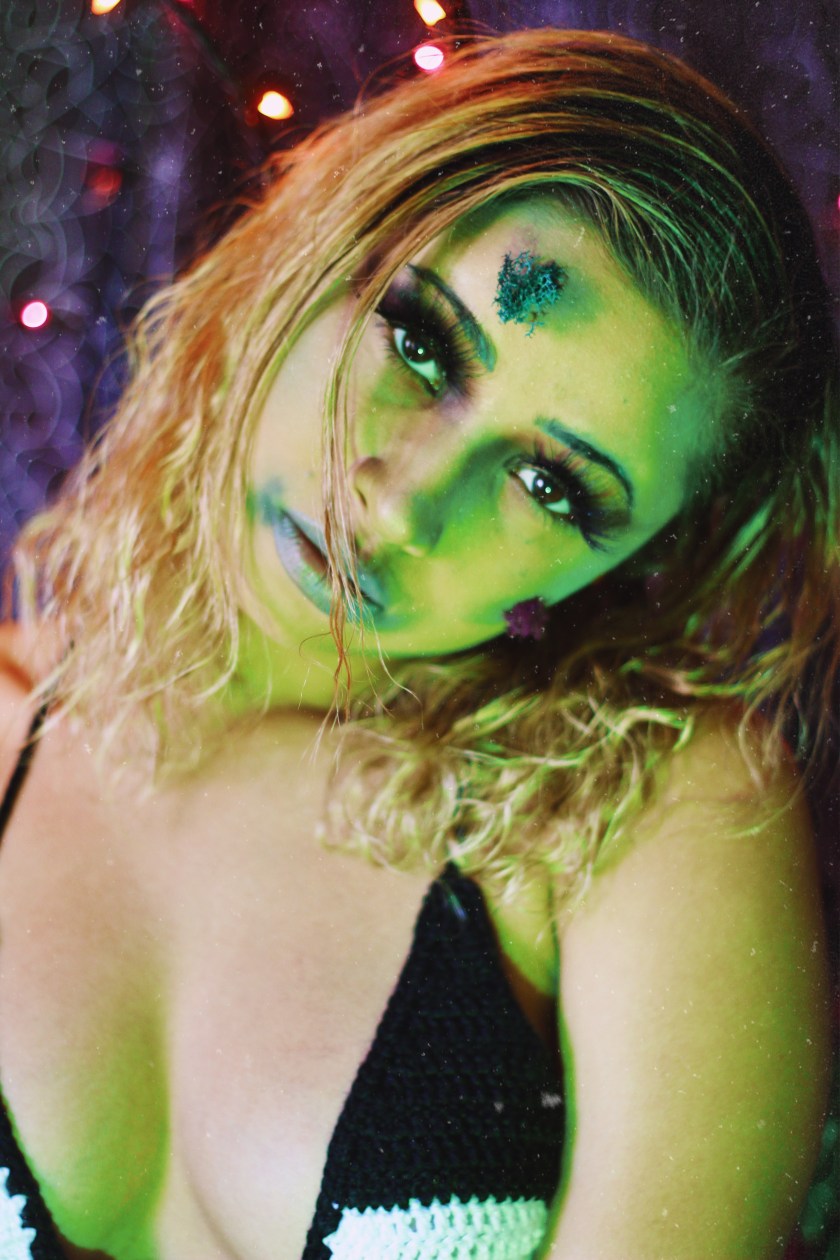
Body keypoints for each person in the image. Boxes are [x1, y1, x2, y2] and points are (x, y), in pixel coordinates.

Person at [0, 26, 836, 1260]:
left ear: (626, 568)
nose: (401, 504)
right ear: (314, 245)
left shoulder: (636, 814)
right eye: (422, 341)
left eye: (551, 486)